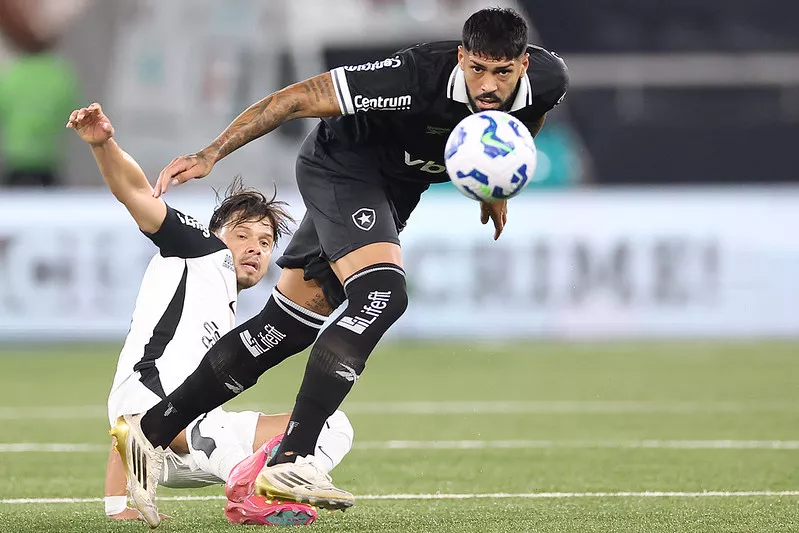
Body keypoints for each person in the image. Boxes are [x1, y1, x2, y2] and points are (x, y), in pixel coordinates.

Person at [118, 7, 569, 526]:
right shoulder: (414, 76)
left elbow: (522, 124)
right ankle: (291, 460)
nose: (488, 86)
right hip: (342, 168)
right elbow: (294, 99)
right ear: (462, 57)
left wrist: (494, 186)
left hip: (395, 189)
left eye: (503, 73)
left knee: (285, 328)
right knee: (384, 295)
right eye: (477, 69)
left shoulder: (549, 79)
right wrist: (212, 152)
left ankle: (149, 432)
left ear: (525, 66)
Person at [66, 103, 354, 527]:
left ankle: (268, 482)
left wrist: (118, 505)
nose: (256, 247)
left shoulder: (227, 297)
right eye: (243, 235)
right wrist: (104, 144)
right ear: (216, 233)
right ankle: (251, 495)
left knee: (330, 425)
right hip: (153, 417)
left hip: (196, 441)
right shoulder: (201, 250)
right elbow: (135, 193)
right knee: (202, 422)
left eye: (265, 240)